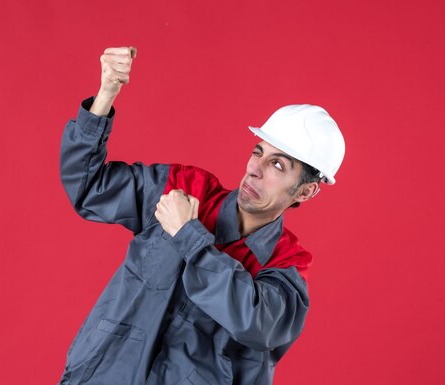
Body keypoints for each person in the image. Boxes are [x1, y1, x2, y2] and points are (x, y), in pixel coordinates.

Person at [58, 47, 345, 385]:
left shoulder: (286, 266)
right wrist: (106, 94)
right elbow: (89, 186)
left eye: (278, 164)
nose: (255, 169)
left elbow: (254, 321)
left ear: (306, 191)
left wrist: (188, 237)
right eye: (258, 152)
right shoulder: (186, 188)